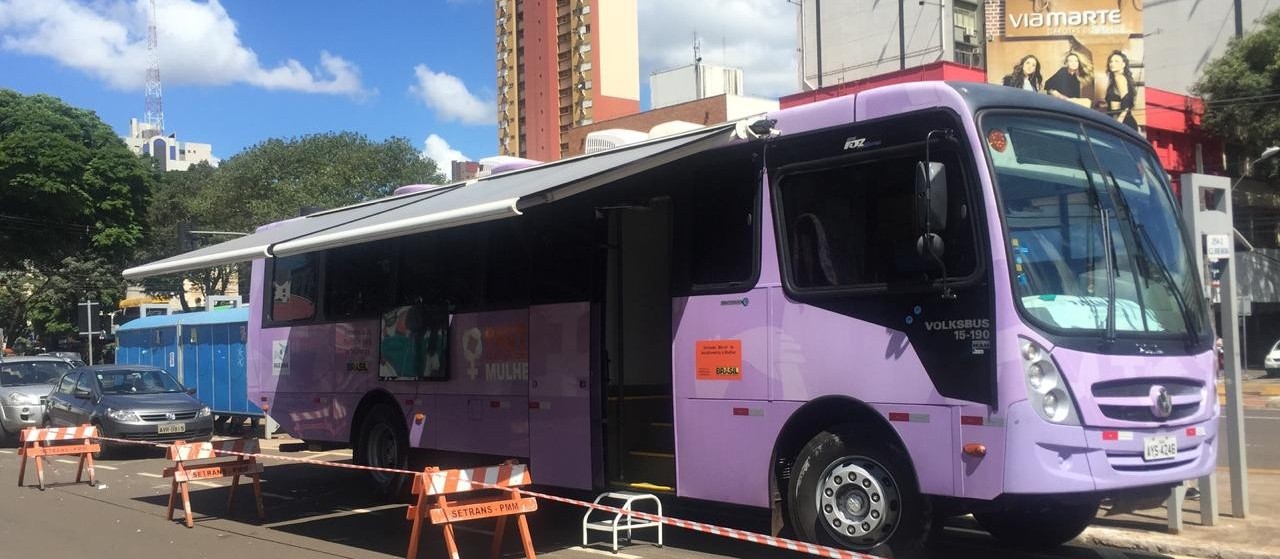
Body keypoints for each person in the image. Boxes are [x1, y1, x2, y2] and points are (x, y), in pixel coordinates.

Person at [1104, 50, 1139, 130]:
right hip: (1116, 119)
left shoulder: (1119, 78)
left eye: (1116, 61)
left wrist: (1119, 122)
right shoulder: (1116, 78)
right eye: (1111, 61)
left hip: (1123, 122)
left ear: (1123, 64)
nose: (1112, 64)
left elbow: (1126, 101)